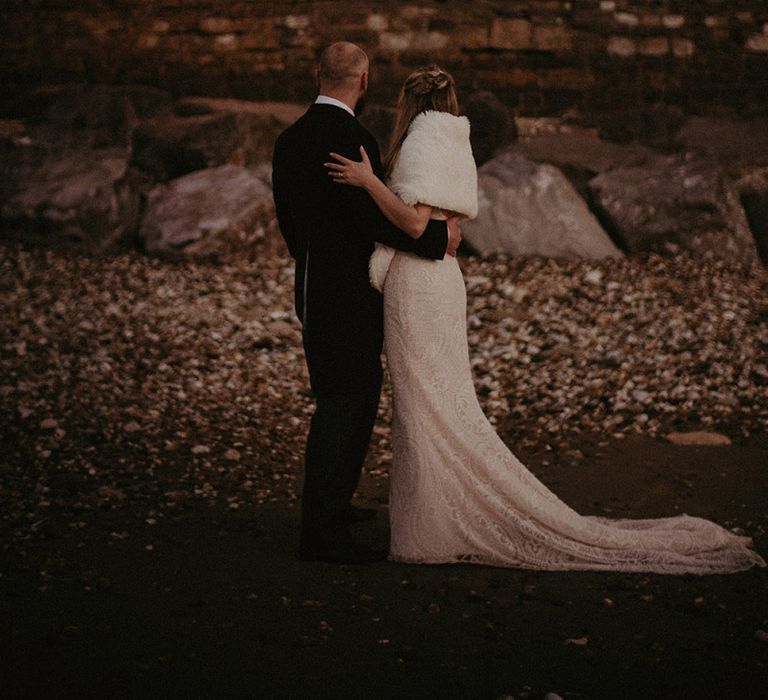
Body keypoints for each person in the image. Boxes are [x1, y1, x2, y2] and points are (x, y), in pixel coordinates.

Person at [325, 64, 767, 574]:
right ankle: (433, 517)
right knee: (434, 400)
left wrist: (366, 183)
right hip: (435, 281)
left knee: (426, 402)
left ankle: (434, 527)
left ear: (408, 103)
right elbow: (445, 224)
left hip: (421, 285)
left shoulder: (423, 138)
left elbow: (414, 222)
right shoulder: (452, 138)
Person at [271, 43, 463, 564]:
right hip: (350, 293)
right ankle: (321, 531)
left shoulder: (288, 140)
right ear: (364, 78)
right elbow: (372, 221)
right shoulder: (355, 139)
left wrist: (312, 259)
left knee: (347, 395)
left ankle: (335, 504)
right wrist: (435, 239)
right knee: (343, 403)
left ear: (317, 75)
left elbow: (288, 220)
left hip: (312, 285)